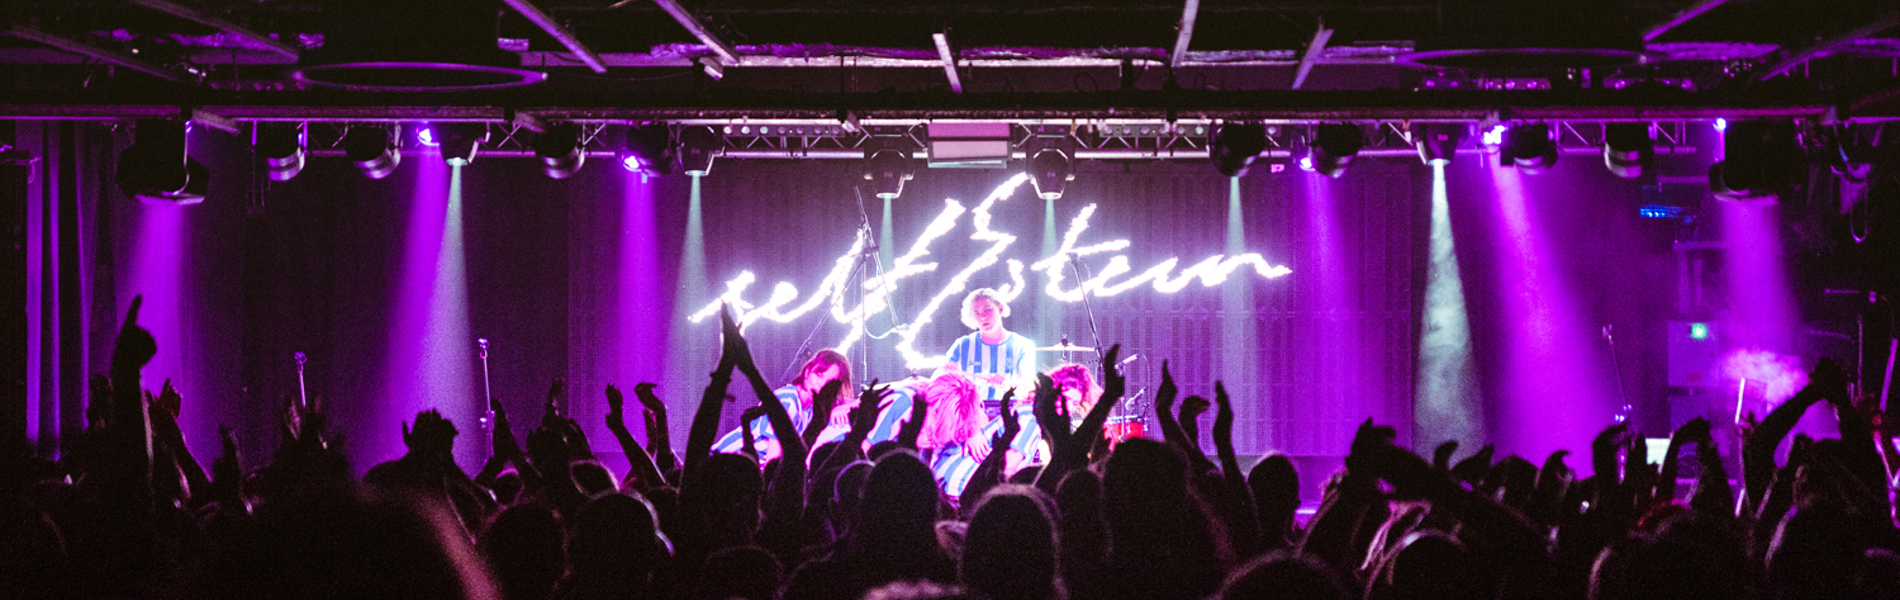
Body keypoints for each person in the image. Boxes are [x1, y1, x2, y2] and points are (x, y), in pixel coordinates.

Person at [711, 349, 852, 463]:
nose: (821, 384)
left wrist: (840, 407)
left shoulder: (813, 405)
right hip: (724, 464)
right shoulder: (788, 402)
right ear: (808, 372)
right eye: (819, 375)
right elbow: (772, 462)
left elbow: (861, 402)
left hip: (745, 469)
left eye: (830, 382)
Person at [941, 288, 1038, 420]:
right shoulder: (961, 345)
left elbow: (1027, 386)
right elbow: (938, 379)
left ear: (1001, 309)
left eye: (988, 309)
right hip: (969, 416)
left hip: (1011, 416)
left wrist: (1007, 385)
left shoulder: (1023, 345)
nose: (983, 317)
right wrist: (947, 374)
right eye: (977, 313)